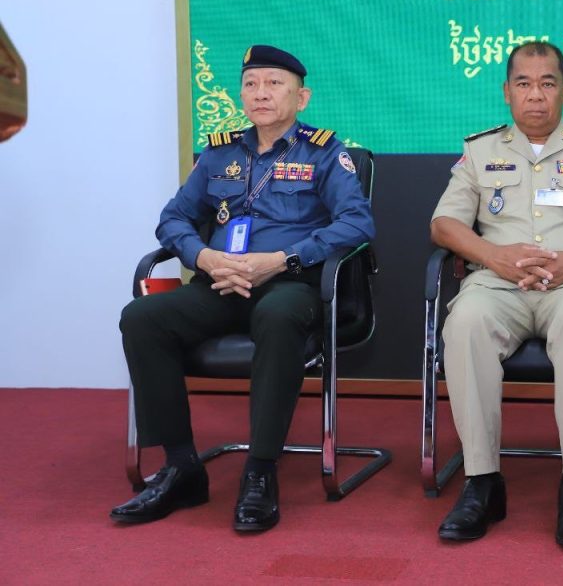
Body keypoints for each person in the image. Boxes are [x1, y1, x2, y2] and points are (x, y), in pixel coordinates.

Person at [110, 45, 374, 532]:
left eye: (274, 84)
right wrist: (203, 257)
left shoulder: (324, 153)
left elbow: (357, 224)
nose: (260, 94)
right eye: (251, 84)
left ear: (301, 98)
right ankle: (181, 467)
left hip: (289, 285)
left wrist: (281, 259)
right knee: (142, 317)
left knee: (277, 316)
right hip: (221, 282)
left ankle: (260, 470)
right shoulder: (219, 152)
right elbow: (173, 218)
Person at [430, 41, 563, 548]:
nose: (536, 95)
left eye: (547, 83)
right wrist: (494, 256)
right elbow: (443, 224)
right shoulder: (479, 151)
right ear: (506, 92)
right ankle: (482, 483)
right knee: (465, 323)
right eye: (524, 84)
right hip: (497, 284)